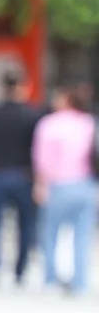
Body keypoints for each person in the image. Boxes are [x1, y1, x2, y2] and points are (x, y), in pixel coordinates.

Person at [0, 68, 44, 287]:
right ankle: (20, 269)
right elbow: (38, 151)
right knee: (25, 224)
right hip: (24, 175)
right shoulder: (33, 115)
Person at [33, 83, 98, 294]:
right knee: (82, 235)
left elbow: (42, 159)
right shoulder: (89, 123)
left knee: (50, 233)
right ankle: (80, 282)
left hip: (58, 185)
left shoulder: (49, 124)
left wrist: (40, 183)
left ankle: (51, 279)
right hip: (85, 184)